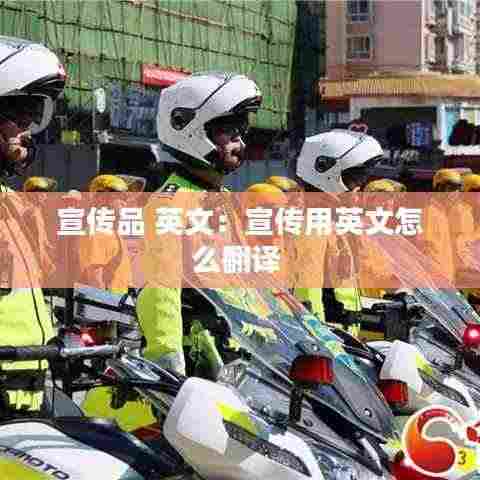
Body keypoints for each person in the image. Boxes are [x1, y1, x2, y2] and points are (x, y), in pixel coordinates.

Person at [137, 72, 262, 375]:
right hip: (198, 361)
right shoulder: (170, 203)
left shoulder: (223, 199)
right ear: (188, 129)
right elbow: (160, 290)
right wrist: (167, 363)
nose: (239, 140)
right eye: (227, 129)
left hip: (239, 356)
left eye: (241, 129)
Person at [0, 36, 65, 417]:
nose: (29, 129)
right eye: (19, 116)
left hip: (29, 394)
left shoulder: (10, 200)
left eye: (33, 116)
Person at [295, 130, 384, 335]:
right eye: (355, 179)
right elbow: (306, 298)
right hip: (327, 343)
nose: (359, 188)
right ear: (325, 173)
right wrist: (320, 341)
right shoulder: (312, 227)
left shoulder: (333, 223)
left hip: (344, 339)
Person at [77, 174, 133, 294]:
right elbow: (95, 278)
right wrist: (105, 303)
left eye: (127, 198)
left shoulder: (111, 232)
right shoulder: (98, 233)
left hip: (117, 299)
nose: (125, 202)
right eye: (121, 197)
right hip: (107, 302)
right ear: (101, 198)